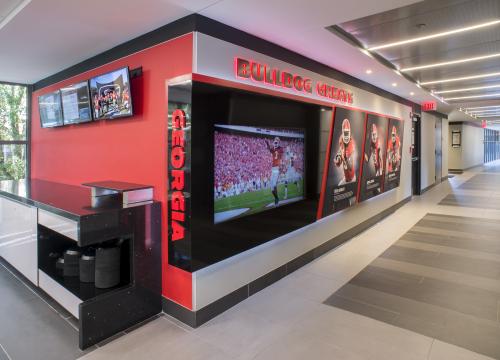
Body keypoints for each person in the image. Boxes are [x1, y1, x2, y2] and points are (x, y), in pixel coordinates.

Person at [334, 119, 357, 185]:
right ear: (342, 132)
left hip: (351, 179)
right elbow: (340, 149)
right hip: (346, 177)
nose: (346, 136)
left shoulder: (351, 144)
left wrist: (344, 158)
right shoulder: (341, 139)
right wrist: (338, 157)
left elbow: (350, 166)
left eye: (347, 133)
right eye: (345, 133)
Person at [266, 136, 284, 206]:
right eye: (275, 141)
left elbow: (280, 152)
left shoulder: (280, 149)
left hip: (277, 168)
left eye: (277, 141)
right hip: (273, 169)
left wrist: (276, 144)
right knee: (271, 187)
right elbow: (270, 149)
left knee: (273, 185)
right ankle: (276, 198)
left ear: (278, 142)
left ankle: (276, 199)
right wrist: (267, 143)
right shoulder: (273, 149)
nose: (275, 142)